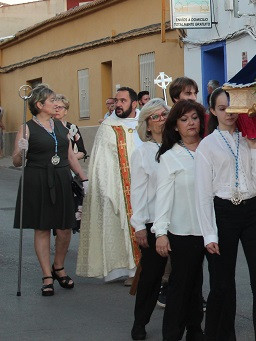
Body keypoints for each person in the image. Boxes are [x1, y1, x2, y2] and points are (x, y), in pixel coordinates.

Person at [196, 87, 256, 341]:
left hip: (252, 211)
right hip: (223, 213)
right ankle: (221, 335)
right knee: (222, 283)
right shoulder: (207, 145)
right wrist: (209, 234)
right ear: (213, 111)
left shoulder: (249, 137)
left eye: (232, 107)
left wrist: (254, 149)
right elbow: (203, 194)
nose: (229, 113)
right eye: (222, 108)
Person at [12, 84, 88, 296]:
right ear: (39, 105)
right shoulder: (26, 128)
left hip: (62, 178)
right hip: (37, 179)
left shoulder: (61, 126)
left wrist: (84, 178)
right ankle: (47, 275)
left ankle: (59, 266)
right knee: (42, 228)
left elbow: (70, 156)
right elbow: (17, 161)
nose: (57, 104)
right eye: (52, 100)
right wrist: (21, 150)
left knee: (65, 227)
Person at [154, 99, 207, 341]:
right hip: (182, 231)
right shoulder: (170, 157)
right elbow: (163, 197)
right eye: (184, 120)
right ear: (175, 126)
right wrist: (161, 232)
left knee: (197, 287)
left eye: (194, 118)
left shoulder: (209, 149)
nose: (190, 123)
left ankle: (196, 332)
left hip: (208, 231)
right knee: (180, 288)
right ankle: (172, 334)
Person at [78, 86, 141, 281]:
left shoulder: (145, 123)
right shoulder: (108, 127)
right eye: (116, 101)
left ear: (135, 103)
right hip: (119, 187)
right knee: (120, 227)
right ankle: (128, 269)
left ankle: (147, 270)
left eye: (123, 101)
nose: (118, 105)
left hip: (144, 185)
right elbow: (100, 162)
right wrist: (106, 188)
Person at [129, 98, 170, 340]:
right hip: (154, 223)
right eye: (155, 116)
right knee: (152, 276)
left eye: (164, 114)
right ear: (147, 124)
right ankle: (140, 322)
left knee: (185, 276)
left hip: (180, 222)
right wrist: (139, 226)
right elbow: (138, 192)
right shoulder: (143, 153)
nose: (162, 119)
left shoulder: (180, 147)